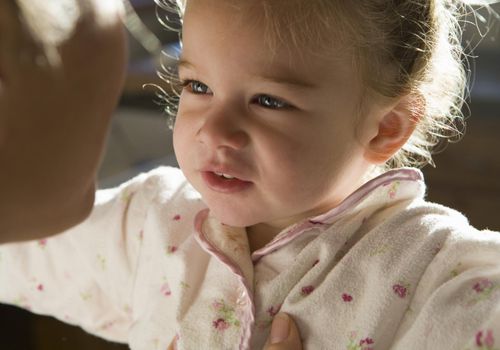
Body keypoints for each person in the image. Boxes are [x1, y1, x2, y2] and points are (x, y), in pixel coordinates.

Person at [1, 0, 499, 349]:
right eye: (197, 85)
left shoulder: (437, 272)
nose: (213, 130)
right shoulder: (150, 224)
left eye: (268, 100)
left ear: (385, 128)